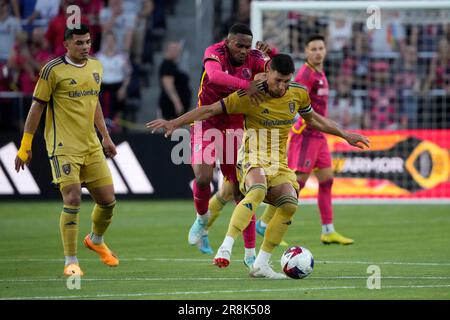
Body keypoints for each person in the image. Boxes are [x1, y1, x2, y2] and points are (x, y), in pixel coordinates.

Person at [147, 54, 370, 279]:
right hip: (250, 156)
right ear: (268, 72)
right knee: (258, 188)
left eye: (285, 81)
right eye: (277, 80)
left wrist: (345, 134)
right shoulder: (249, 95)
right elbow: (209, 110)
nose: (281, 86)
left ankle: (261, 264)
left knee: (290, 203)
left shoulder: (298, 93)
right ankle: (226, 246)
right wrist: (174, 122)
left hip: (278, 163)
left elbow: (314, 119)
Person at [14, 24, 119, 277]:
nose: (85, 47)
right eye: (79, 43)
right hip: (63, 146)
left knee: (107, 202)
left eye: (88, 42)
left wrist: (105, 137)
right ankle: (71, 262)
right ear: (67, 45)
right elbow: (36, 108)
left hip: (91, 145)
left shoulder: (96, 66)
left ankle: (95, 239)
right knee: (72, 198)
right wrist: (25, 145)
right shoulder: (52, 70)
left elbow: (93, 103)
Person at [185, 23, 274, 268]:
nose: (244, 51)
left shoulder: (255, 58)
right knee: (203, 178)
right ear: (227, 42)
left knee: (240, 192)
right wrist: (248, 86)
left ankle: (249, 254)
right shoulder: (215, 52)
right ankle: (202, 220)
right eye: (239, 45)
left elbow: (277, 72)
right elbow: (214, 76)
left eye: (248, 46)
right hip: (206, 120)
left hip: (235, 125)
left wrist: (272, 52)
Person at [257, 35, 355, 245]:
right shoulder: (306, 74)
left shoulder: (319, 72)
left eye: (321, 48)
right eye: (314, 49)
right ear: (307, 52)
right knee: (294, 185)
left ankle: (328, 230)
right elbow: (292, 94)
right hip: (307, 137)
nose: (318, 52)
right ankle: (265, 224)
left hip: (320, 138)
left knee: (327, 180)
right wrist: (299, 126)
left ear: (325, 50)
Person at [158, 41, 191, 120]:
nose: (178, 52)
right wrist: (177, 103)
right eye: (175, 49)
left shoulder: (174, 65)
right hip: (170, 107)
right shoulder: (167, 65)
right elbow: (168, 86)